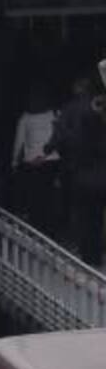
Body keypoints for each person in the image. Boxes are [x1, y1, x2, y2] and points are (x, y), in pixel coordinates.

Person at [48, 72, 106, 266]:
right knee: (96, 217)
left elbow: (61, 136)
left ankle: (87, 255)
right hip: (98, 176)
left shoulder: (71, 110)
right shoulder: (96, 111)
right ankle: (95, 255)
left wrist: (51, 147)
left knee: (83, 216)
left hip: (80, 174)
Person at [11, 86, 60, 235]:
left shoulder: (26, 117)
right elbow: (60, 137)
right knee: (49, 198)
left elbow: (19, 142)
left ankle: (38, 231)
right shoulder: (54, 114)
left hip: (33, 162)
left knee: (35, 199)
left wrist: (13, 162)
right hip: (51, 161)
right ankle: (49, 231)